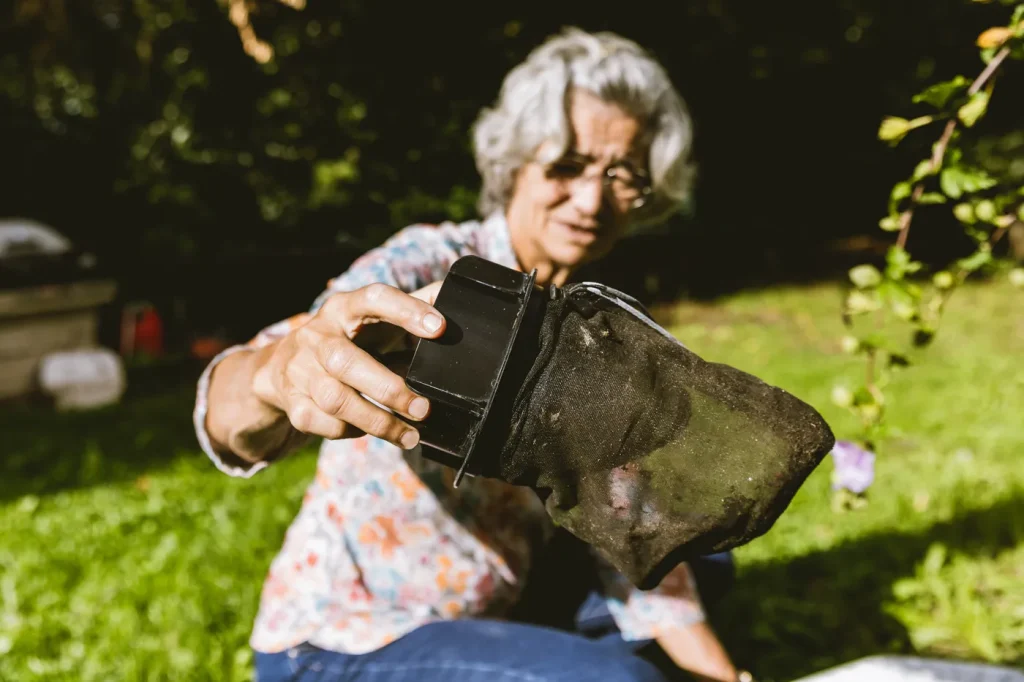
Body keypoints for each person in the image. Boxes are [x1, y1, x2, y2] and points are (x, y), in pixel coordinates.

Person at [195, 27, 747, 682]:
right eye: (565, 165)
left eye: (621, 174)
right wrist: (270, 379)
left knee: (697, 562)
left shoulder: (599, 327)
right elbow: (246, 398)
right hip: (347, 638)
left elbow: (625, 516)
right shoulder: (433, 266)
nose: (592, 201)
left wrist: (729, 680)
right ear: (516, 163)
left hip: (495, 603)